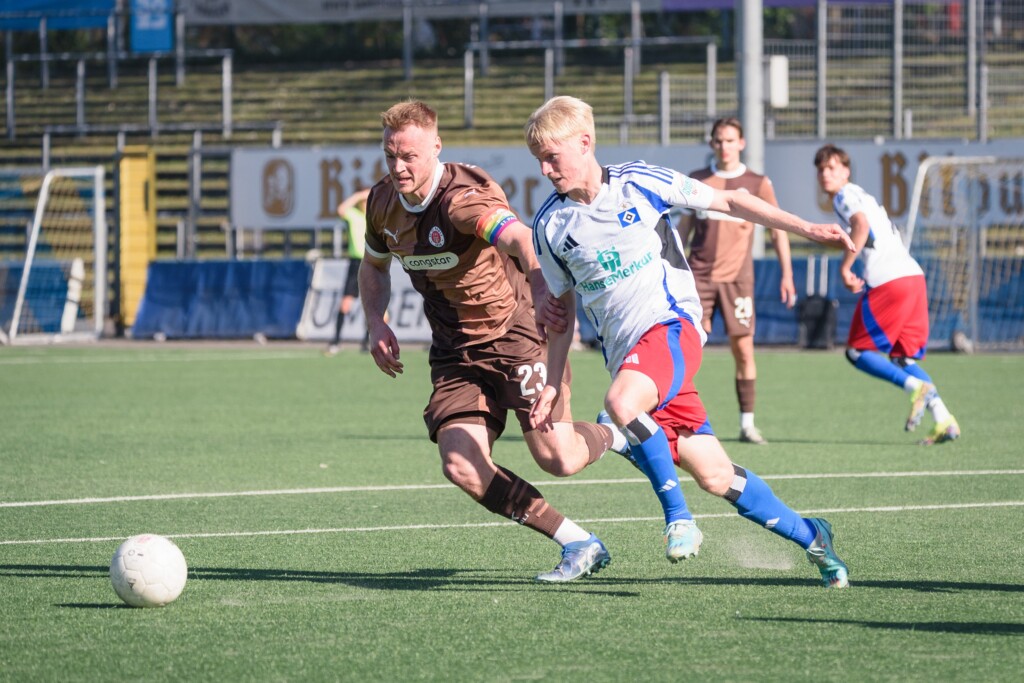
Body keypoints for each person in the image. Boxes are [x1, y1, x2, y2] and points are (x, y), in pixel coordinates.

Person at [525, 96, 854, 588]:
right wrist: (552, 384)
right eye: (539, 161)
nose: (546, 169)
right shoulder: (550, 226)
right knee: (716, 475)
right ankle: (814, 538)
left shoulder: (639, 182)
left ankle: (677, 517)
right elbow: (561, 312)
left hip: (674, 327)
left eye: (553, 156)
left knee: (619, 405)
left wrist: (806, 227)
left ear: (585, 142)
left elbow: (730, 201)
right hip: (633, 363)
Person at [358, 100, 627, 583]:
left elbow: (519, 238)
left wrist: (543, 286)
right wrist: (376, 322)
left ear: (435, 148)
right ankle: (578, 542)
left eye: (409, 156)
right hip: (454, 352)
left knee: (559, 458)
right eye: (389, 155)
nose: (398, 167)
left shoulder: (464, 198)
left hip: (516, 336)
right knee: (461, 465)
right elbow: (373, 265)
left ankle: (615, 433)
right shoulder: (381, 203)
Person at [814, 144, 960, 445]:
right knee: (902, 357)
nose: (825, 174)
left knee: (856, 352)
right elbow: (860, 234)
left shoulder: (845, 196)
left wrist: (846, 268)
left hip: (887, 279)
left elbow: (861, 225)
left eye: (832, 167)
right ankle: (944, 419)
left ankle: (915, 389)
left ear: (846, 171)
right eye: (821, 169)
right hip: (912, 276)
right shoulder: (862, 196)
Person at [677, 117, 796, 445]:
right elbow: (684, 228)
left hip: (737, 281)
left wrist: (786, 273)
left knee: (743, 350)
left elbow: (777, 229)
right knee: (688, 347)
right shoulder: (699, 180)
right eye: (718, 140)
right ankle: (678, 418)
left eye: (730, 140)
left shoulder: (757, 183)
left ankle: (747, 424)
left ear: (741, 143)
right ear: (712, 143)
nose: (724, 146)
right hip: (698, 278)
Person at [326, 188, 371, 355]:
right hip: (355, 263)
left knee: (373, 305)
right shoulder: (354, 216)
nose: (366, 203)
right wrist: (359, 195)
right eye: (364, 200)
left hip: (371, 263)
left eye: (368, 199)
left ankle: (367, 343)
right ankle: (336, 342)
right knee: (345, 304)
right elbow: (341, 210)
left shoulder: (376, 217)